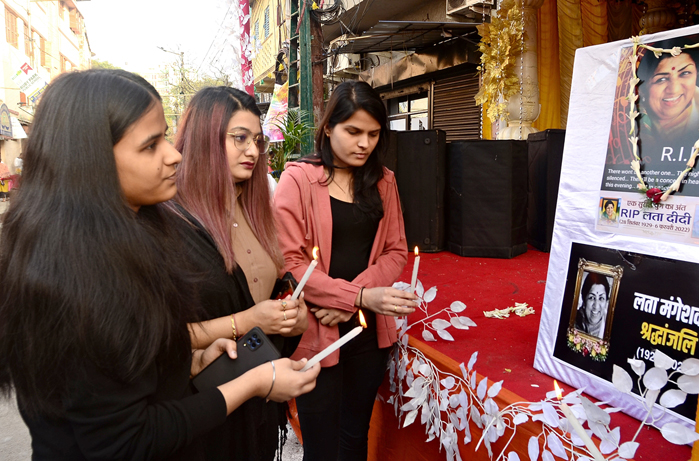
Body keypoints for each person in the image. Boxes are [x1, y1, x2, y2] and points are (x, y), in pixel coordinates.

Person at [0, 69, 319, 461]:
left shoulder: (129, 241)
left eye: (166, 136)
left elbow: (128, 363)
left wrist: (183, 361)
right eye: (151, 145)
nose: (174, 154)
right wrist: (254, 382)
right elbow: (126, 440)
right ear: (90, 158)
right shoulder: (78, 273)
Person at [274, 80, 418, 461]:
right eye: (353, 131)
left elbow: (395, 250)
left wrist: (354, 302)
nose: (364, 144)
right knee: (321, 446)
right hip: (315, 332)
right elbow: (291, 261)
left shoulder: (383, 181)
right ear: (328, 128)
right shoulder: (298, 179)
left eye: (373, 134)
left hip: (367, 332)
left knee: (355, 439)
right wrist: (357, 297)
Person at [172, 86, 311, 460]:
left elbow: (271, 294)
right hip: (201, 409)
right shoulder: (172, 221)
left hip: (258, 399)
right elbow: (160, 338)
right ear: (204, 140)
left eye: (257, 141)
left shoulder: (257, 211)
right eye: (239, 138)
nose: (252, 151)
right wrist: (247, 320)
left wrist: (291, 317)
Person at [638, 43, 699, 154]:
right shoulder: (629, 120)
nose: (674, 90)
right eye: (661, 79)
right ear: (643, 88)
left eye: (685, 73)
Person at [575, 272, 611, 339]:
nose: (596, 306)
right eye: (592, 298)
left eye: (601, 298)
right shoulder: (572, 321)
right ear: (584, 300)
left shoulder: (609, 329)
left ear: (606, 302)